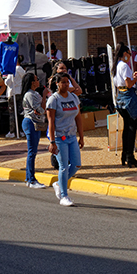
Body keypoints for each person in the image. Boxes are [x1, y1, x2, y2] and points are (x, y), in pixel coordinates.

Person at [47, 73, 83, 206]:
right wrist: (52, 142)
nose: (66, 85)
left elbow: (78, 117)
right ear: (57, 84)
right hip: (59, 137)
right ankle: (64, 195)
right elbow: (51, 122)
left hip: (72, 136)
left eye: (67, 82)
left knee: (76, 164)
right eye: (63, 82)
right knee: (63, 167)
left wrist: (81, 136)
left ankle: (59, 183)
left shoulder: (74, 97)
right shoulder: (53, 100)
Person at [113, 46, 137, 168]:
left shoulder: (116, 66)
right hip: (128, 97)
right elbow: (129, 84)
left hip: (120, 96)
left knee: (126, 128)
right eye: (130, 54)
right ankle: (130, 157)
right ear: (125, 53)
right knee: (131, 128)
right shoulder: (124, 66)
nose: (130, 56)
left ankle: (125, 155)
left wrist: (133, 77)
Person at [21, 73, 47, 188]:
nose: (38, 81)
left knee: (33, 151)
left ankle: (29, 178)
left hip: (35, 123)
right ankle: (31, 179)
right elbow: (40, 110)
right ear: (32, 82)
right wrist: (45, 97)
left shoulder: (35, 93)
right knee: (32, 152)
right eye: (36, 79)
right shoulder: (30, 95)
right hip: (30, 122)